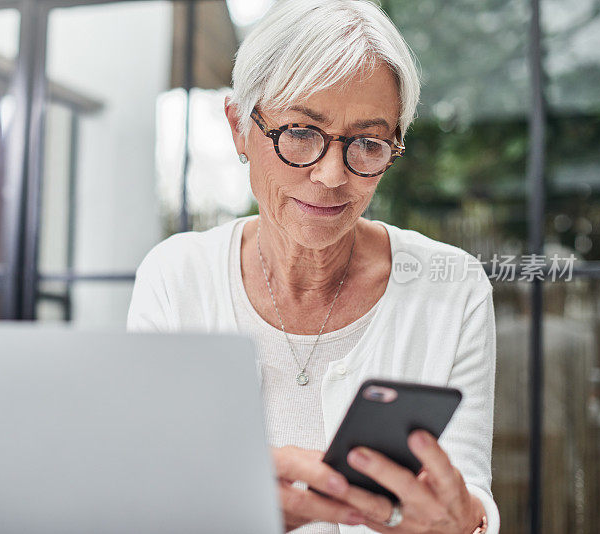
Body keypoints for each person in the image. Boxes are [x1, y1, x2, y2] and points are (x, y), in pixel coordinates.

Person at [127, 1, 498, 532]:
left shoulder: (451, 287)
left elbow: (467, 494)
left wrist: (466, 523)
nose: (330, 176)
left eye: (368, 144)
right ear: (239, 127)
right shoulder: (176, 277)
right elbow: (147, 495)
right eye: (301, 133)